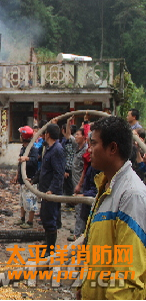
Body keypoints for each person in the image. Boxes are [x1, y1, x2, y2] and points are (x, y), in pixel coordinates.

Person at [78, 116, 146, 300]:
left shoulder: (131, 195)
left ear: (112, 148)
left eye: (93, 143)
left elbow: (127, 277)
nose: (89, 150)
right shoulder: (106, 186)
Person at [38, 123, 65, 257]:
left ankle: (50, 249)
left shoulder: (57, 150)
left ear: (48, 134)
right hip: (45, 190)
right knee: (44, 216)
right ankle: (47, 243)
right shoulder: (49, 148)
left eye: (44, 133)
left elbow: (59, 173)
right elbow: (45, 169)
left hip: (51, 193)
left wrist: (52, 190)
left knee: (50, 219)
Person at [65, 119, 88, 241]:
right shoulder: (76, 147)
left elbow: (85, 169)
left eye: (78, 134)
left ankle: (78, 235)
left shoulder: (86, 150)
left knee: (80, 210)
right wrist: (68, 123)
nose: (75, 136)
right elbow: (68, 135)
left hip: (82, 185)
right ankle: (79, 230)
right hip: (76, 183)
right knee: (78, 210)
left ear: (85, 137)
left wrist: (79, 184)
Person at [13, 126, 39, 229]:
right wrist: (17, 175)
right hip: (22, 180)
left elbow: (34, 161)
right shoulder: (23, 148)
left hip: (30, 180)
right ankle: (22, 218)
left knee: (31, 201)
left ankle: (30, 222)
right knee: (22, 200)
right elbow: (20, 164)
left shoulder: (33, 149)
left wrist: (26, 158)